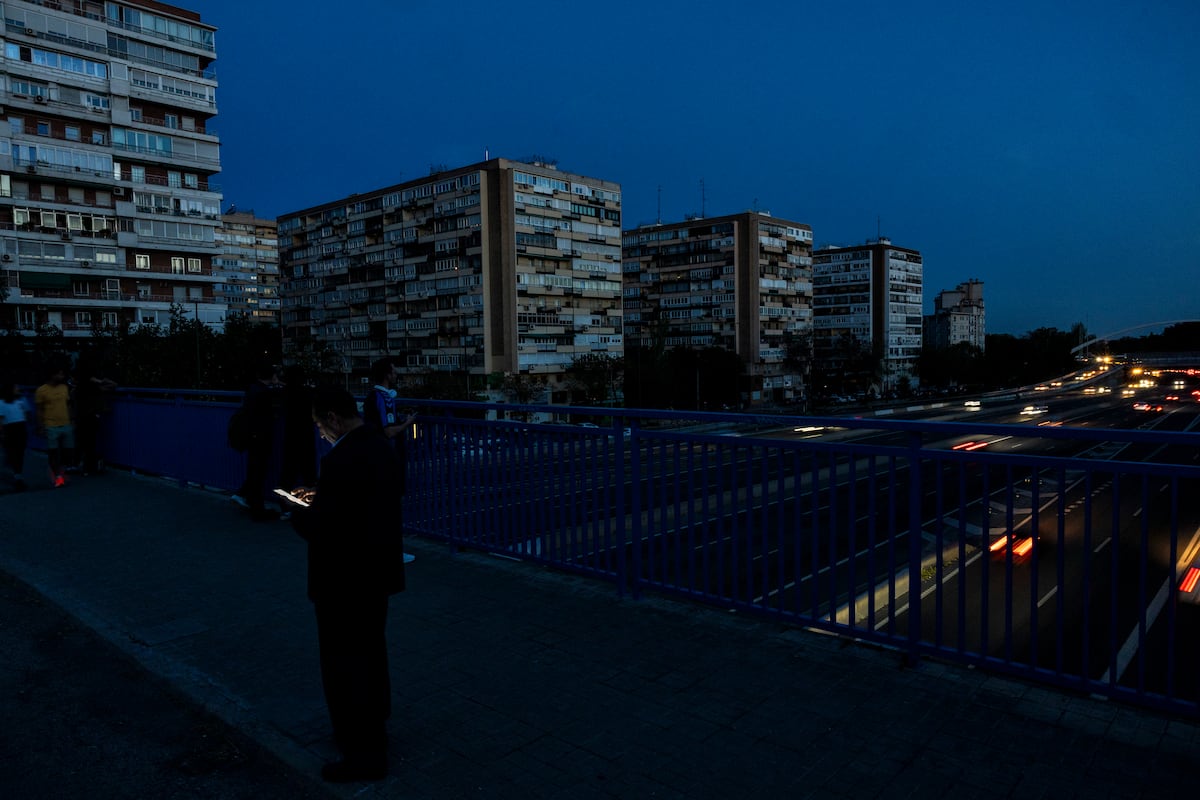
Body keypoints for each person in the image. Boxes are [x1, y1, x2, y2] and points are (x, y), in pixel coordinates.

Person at [288, 387, 406, 783]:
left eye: (321, 425)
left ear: (333, 419)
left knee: (345, 664)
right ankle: (374, 731)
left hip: (343, 580)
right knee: (370, 654)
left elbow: (327, 527)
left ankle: (363, 752)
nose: (321, 433)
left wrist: (297, 510)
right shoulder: (379, 445)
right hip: (376, 574)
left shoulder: (342, 458)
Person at [232, 363, 284, 520]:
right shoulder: (265, 393)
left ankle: (246, 497)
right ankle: (256, 507)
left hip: (252, 436)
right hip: (261, 437)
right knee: (259, 472)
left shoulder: (253, 389)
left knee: (255, 469)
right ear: (272, 376)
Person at [363, 358, 415, 492]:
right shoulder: (385, 399)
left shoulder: (371, 396)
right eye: (394, 372)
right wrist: (408, 423)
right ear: (387, 375)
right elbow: (389, 431)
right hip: (388, 454)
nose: (396, 375)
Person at [73, 362, 117, 475]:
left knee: (84, 442)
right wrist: (101, 381)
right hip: (90, 418)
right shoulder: (91, 388)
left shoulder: (79, 388)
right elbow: (113, 385)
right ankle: (88, 467)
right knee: (90, 443)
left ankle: (82, 466)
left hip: (83, 418)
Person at [279, 364, 317, 491]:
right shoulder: (307, 393)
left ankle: (285, 505)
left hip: (290, 435)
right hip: (305, 435)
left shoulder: (285, 392)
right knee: (308, 472)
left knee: (288, 472)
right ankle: (309, 503)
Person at [35, 367, 74, 488]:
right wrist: (41, 426)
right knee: (53, 452)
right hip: (51, 425)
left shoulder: (64, 388)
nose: (61, 377)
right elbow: (39, 410)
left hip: (66, 423)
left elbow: (68, 405)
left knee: (68, 452)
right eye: (59, 374)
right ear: (52, 375)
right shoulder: (42, 390)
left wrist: (72, 420)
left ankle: (59, 471)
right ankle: (58, 476)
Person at [0, 377, 30, 492]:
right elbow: (1, 419)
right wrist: (2, 433)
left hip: (20, 428)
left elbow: (27, 413)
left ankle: (17, 474)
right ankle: (17, 476)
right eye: (15, 387)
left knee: (20, 452)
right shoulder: (2, 403)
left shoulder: (21, 400)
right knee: (13, 452)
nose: (18, 389)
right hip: (10, 429)